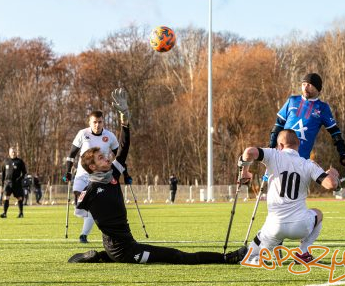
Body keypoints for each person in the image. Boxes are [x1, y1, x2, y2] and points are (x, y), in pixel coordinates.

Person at [68, 88, 247, 264]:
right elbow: (79, 203)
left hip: (123, 246)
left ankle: (101, 256)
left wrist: (125, 120)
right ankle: (228, 258)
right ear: (92, 167)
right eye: (101, 158)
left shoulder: (112, 173)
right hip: (125, 251)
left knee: (168, 255)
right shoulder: (90, 189)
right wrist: (78, 193)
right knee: (178, 256)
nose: (107, 157)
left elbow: (123, 149)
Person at [240, 129, 339, 264]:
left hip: (274, 227)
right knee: (318, 214)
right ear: (298, 144)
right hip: (300, 227)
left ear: (280, 145)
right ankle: (303, 252)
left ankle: (258, 257)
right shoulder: (308, 164)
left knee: (250, 258)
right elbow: (331, 184)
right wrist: (333, 176)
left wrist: (245, 171)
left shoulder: (273, 154)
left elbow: (249, 152)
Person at [269, 73, 345, 166]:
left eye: (309, 85)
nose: (305, 87)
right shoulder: (292, 100)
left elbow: (335, 132)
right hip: (280, 155)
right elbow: (278, 125)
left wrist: (342, 152)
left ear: (317, 89)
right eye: (304, 84)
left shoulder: (322, 108)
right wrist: (271, 147)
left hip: (301, 160)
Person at [64, 110, 119, 243]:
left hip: (99, 178)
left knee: (91, 208)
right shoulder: (83, 134)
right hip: (82, 176)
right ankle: (83, 209)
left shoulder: (110, 136)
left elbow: (120, 157)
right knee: (80, 203)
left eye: (100, 122)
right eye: (94, 122)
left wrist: (124, 174)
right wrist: (68, 171)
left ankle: (83, 235)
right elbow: (71, 155)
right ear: (90, 122)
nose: (97, 125)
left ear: (103, 122)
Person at [0, 147, 27, 218]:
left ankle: (21, 213)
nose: (13, 153)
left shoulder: (20, 161)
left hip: (17, 183)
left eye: (14, 152)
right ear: (9, 153)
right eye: (12, 152)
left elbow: (24, 173)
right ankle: (4, 213)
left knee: (19, 198)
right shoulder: (5, 161)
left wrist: (20, 179)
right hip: (7, 183)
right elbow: (3, 174)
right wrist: (1, 185)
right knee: (6, 197)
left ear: (16, 152)